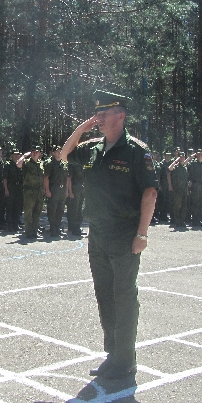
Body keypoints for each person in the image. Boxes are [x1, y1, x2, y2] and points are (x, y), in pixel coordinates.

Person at [61, 90, 158, 380]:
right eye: (97, 113)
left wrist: (142, 234)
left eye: (105, 113)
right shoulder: (92, 148)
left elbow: (150, 193)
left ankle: (125, 359)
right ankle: (112, 354)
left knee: (124, 296)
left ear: (121, 115)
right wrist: (82, 128)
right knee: (104, 295)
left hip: (124, 233)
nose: (99, 118)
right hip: (98, 232)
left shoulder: (137, 151)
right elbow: (64, 153)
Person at [43, 145, 69, 237]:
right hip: (53, 188)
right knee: (52, 210)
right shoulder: (50, 164)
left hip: (62, 190)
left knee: (60, 210)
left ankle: (58, 228)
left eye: (60, 151)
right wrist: (47, 190)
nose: (59, 152)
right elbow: (46, 178)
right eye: (57, 151)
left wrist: (66, 191)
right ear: (53, 153)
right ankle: (53, 229)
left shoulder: (64, 163)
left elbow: (66, 178)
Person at [21, 146, 45, 239]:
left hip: (39, 192)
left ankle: (34, 232)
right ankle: (28, 232)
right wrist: (24, 156)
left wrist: (44, 189)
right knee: (28, 213)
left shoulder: (41, 164)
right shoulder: (26, 163)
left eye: (37, 152)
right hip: (29, 191)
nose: (35, 153)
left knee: (37, 212)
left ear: (39, 154)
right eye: (33, 152)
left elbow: (43, 178)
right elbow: (18, 165)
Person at [3, 148, 25, 232]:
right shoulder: (8, 165)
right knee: (10, 207)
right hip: (11, 188)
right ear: (12, 155)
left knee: (17, 207)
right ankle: (10, 225)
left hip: (19, 188)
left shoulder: (21, 165)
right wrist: (6, 189)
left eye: (19, 154)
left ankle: (16, 225)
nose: (17, 156)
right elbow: (5, 178)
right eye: (16, 154)